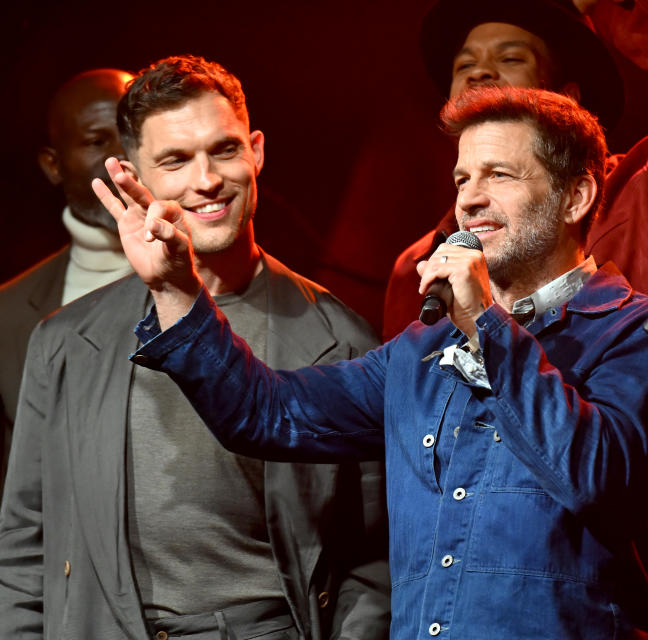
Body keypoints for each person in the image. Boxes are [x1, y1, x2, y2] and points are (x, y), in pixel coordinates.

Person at [97, 86, 648, 639]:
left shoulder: (643, 331)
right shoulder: (420, 350)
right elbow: (266, 413)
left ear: (577, 196)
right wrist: (177, 289)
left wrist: (488, 325)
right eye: (462, 178)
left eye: (499, 175)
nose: (469, 198)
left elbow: (594, 478)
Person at [0, 55, 390, 639]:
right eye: (175, 160)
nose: (206, 180)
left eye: (225, 149)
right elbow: (26, 545)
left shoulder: (343, 338)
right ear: (133, 175)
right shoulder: (64, 341)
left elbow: (375, 559)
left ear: (256, 150)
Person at [381, 0, 648, 340]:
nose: (479, 73)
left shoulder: (643, 189)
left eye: (511, 58)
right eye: (464, 64)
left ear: (566, 98)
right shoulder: (418, 266)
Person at [0, 68, 135, 501]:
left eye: (131, 134)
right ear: (52, 165)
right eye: (97, 142)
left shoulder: (215, 281)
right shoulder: (8, 312)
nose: (121, 160)